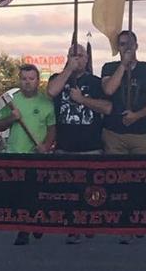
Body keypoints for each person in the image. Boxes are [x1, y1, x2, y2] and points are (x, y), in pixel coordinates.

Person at [48, 43, 112, 245]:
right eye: (72, 55)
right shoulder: (58, 78)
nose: (77, 59)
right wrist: (68, 69)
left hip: (91, 144)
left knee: (91, 188)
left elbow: (107, 107)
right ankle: (72, 227)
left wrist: (82, 100)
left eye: (81, 56)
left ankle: (89, 223)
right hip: (65, 145)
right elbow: (51, 92)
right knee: (68, 189)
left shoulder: (95, 82)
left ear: (87, 59)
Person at [0, 64, 56, 246]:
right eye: (24, 79)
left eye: (31, 79)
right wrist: (11, 118)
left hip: (36, 155)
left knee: (36, 193)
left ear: (37, 81)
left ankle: (36, 222)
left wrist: (46, 145)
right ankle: (23, 228)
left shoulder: (46, 103)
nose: (27, 82)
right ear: (19, 80)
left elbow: (52, 129)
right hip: (15, 154)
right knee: (18, 194)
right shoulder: (12, 102)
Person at [101, 30, 146, 155]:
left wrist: (136, 115)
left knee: (142, 172)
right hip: (114, 134)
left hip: (141, 133)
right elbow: (109, 90)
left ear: (136, 46)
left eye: (130, 44)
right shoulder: (109, 68)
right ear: (118, 48)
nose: (127, 48)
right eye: (122, 44)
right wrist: (123, 65)